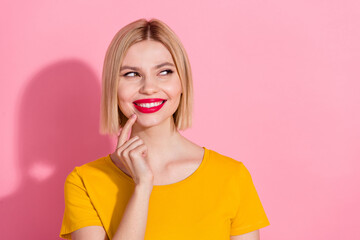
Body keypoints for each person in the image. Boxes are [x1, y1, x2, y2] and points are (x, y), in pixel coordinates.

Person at [59, 18, 270, 240]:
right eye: (131, 74)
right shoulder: (84, 182)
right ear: (114, 86)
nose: (149, 88)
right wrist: (142, 188)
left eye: (164, 72)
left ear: (182, 82)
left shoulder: (231, 176)